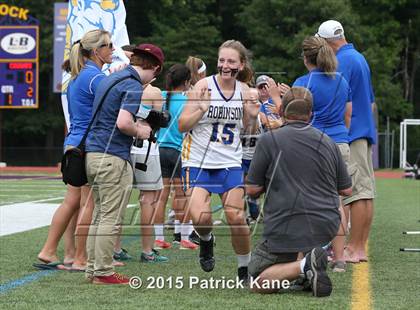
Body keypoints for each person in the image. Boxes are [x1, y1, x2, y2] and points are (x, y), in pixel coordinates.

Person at [246, 86, 352, 297]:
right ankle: (307, 267)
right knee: (303, 229)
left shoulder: (269, 140)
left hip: (285, 225)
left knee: (256, 281)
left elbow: (252, 189)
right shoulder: (329, 142)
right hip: (325, 226)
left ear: (282, 110)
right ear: (311, 113)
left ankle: (303, 266)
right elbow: (346, 188)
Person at [178, 40, 260, 281]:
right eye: (222, 60)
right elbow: (182, 125)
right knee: (201, 218)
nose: (225, 65)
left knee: (236, 216)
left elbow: (247, 130)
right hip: (197, 161)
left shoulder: (245, 90)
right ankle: (206, 239)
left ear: (241, 64)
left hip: (230, 162)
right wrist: (201, 109)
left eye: (231, 61)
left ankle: (245, 268)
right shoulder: (203, 85)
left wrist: (253, 118)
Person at [84, 43, 163, 285]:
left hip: (93, 153)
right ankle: (104, 271)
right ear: (156, 68)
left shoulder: (113, 77)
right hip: (113, 155)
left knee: (99, 215)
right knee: (110, 217)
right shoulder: (132, 84)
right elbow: (123, 123)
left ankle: (93, 269)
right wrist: (144, 130)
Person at [35, 30, 113, 271]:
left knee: (72, 201)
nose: (113, 49)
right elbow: (113, 108)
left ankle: (50, 250)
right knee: (87, 203)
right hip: (87, 145)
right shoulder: (95, 78)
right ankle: (79, 258)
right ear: (95, 51)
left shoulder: (77, 77)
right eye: (108, 45)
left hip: (73, 142)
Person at [290, 36, 352, 272]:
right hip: (340, 144)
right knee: (337, 203)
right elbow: (348, 116)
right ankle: (339, 259)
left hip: (313, 145)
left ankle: (304, 256)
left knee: (305, 202)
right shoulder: (342, 80)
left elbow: (293, 117)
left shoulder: (303, 83)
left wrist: (278, 96)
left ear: (306, 58)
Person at [317, 20, 376, 263]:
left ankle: (354, 248)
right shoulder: (358, 57)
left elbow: (338, 100)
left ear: (326, 42)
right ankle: (357, 246)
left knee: (358, 193)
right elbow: (370, 100)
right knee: (363, 191)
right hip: (361, 130)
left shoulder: (343, 61)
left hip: (352, 134)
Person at [155, 63, 198, 250]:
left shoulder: (162, 96)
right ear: (187, 81)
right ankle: (184, 237)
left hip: (159, 149)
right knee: (182, 195)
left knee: (161, 196)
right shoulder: (188, 99)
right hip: (180, 151)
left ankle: (158, 237)